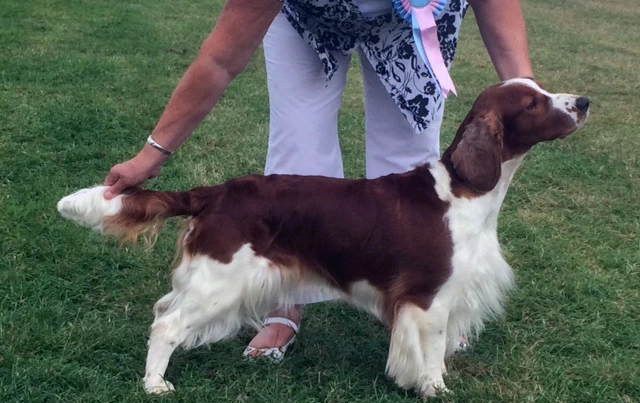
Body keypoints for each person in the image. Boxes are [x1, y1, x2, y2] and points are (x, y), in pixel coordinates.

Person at [103, 0, 534, 361]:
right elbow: (219, 59)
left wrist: (529, 97)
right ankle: (284, 299)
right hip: (310, 14)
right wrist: (152, 153)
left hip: (414, 20)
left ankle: (421, 301)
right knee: (299, 153)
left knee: (415, 165)